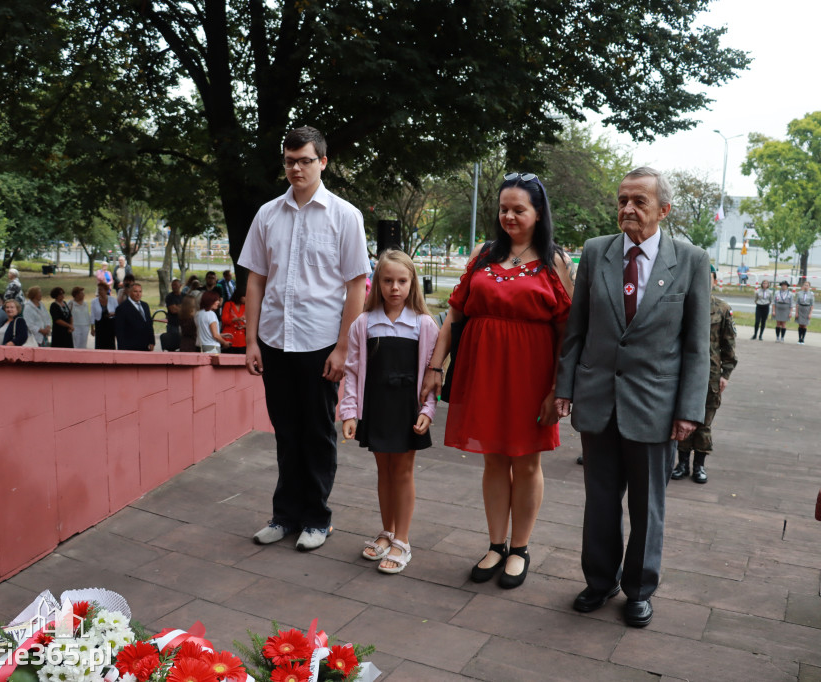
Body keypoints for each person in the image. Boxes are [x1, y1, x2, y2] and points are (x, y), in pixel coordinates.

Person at [555, 167, 710, 628]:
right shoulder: (595, 252)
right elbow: (576, 329)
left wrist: (689, 410)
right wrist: (565, 388)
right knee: (600, 502)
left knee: (647, 507)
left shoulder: (690, 261)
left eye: (639, 201)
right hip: (598, 401)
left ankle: (639, 588)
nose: (627, 209)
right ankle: (600, 581)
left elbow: (696, 345)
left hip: (655, 407)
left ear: (663, 210)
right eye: (623, 199)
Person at [421, 172, 573, 590]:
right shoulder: (484, 253)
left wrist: (558, 388)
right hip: (483, 370)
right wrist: (435, 368)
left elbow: (566, 331)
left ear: (538, 214)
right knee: (492, 459)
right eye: (503, 208)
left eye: (518, 209)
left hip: (531, 374)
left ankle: (520, 549)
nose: (508, 215)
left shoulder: (554, 261)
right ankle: (495, 544)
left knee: (526, 461)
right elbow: (454, 314)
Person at [238, 125, 369, 552]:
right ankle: (284, 515)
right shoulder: (267, 215)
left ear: (323, 162)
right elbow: (256, 281)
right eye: (290, 161)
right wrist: (252, 341)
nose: (296, 168)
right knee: (285, 431)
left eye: (305, 160)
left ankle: (317, 517)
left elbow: (356, 285)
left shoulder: (344, 216)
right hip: (275, 340)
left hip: (319, 344)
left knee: (317, 432)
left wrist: (343, 347)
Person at [342, 250, 438, 575]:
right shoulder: (364, 323)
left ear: (411, 283)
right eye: (387, 280)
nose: (394, 287)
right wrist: (350, 412)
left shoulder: (424, 324)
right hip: (377, 407)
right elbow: (353, 371)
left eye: (401, 280)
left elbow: (430, 375)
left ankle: (403, 540)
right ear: (377, 283)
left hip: (407, 410)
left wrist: (428, 409)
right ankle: (387, 531)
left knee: (404, 471)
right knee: (383, 470)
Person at [673, 270, 737, 484]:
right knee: (682, 417)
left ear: (715, 281)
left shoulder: (722, 309)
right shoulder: (684, 305)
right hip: (684, 373)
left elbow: (728, 346)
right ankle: (681, 463)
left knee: (704, 423)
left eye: (708, 279)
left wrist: (725, 374)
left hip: (711, 375)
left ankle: (699, 465)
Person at [114, 282, 155, 351]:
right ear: (129, 292)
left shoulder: (145, 306)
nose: (138, 294)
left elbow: (149, 325)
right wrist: (122, 350)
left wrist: (152, 341)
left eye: (140, 291)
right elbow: (119, 331)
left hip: (145, 346)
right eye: (135, 291)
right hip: (130, 347)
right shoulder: (122, 308)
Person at [91, 282, 118, 349]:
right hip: (100, 325)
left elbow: (119, 312)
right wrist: (92, 328)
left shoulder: (113, 299)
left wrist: (113, 313)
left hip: (110, 324)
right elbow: (92, 315)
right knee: (100, 344)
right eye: (99, 289)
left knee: (110, 343)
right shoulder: (94, 301)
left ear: (106, 290)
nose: (99, 291)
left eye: (101, 289)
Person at [795, 280, 815, 345]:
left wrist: (810, 313)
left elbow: (812, 305)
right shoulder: (800, 293)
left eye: (807, 285)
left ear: (809, 286)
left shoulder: (811, 294)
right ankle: (799, 338)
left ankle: (803, 338)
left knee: (804, 325)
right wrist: (796, 312)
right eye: (804, 285)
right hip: (801, 308)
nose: (805, 286)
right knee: (800, 324)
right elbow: (797, 303)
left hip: (807, 308)